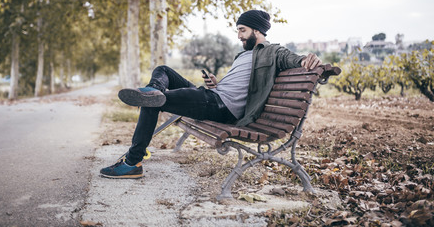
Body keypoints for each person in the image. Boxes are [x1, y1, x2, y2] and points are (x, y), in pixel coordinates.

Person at [100, 10, 322, 179]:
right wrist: (216, 84)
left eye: (242, 30)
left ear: (257, 30)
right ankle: (153, 91)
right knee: (164, 70)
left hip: (221, 107)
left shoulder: (273, 52)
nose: (239, 36)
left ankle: (133, 162)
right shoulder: (242, 56)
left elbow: (291, 59)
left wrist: (305, 59)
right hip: (214, 96)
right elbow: (236, 86)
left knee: (154, 102)